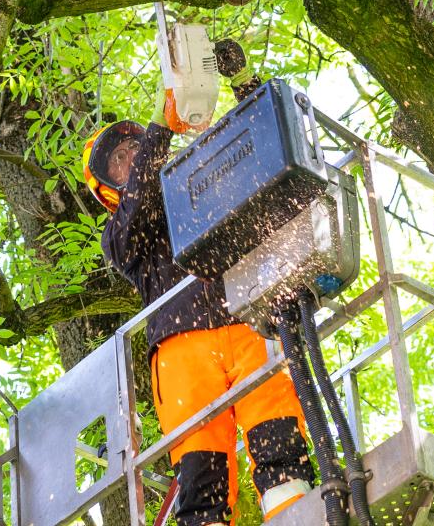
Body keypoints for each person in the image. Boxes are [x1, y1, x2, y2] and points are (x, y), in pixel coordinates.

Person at [83, 86, 315, 526]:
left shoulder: (204, 190)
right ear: (109, 189)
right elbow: (139, 208)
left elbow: (260, 158)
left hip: (250, 321)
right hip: (181, 353)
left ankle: (296, 517)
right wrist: (159, 127)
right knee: (200, 476)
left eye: (134, 146)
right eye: (118, 160)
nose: (131, 156)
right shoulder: (120, 233)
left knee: (280, 445)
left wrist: (245, 84)